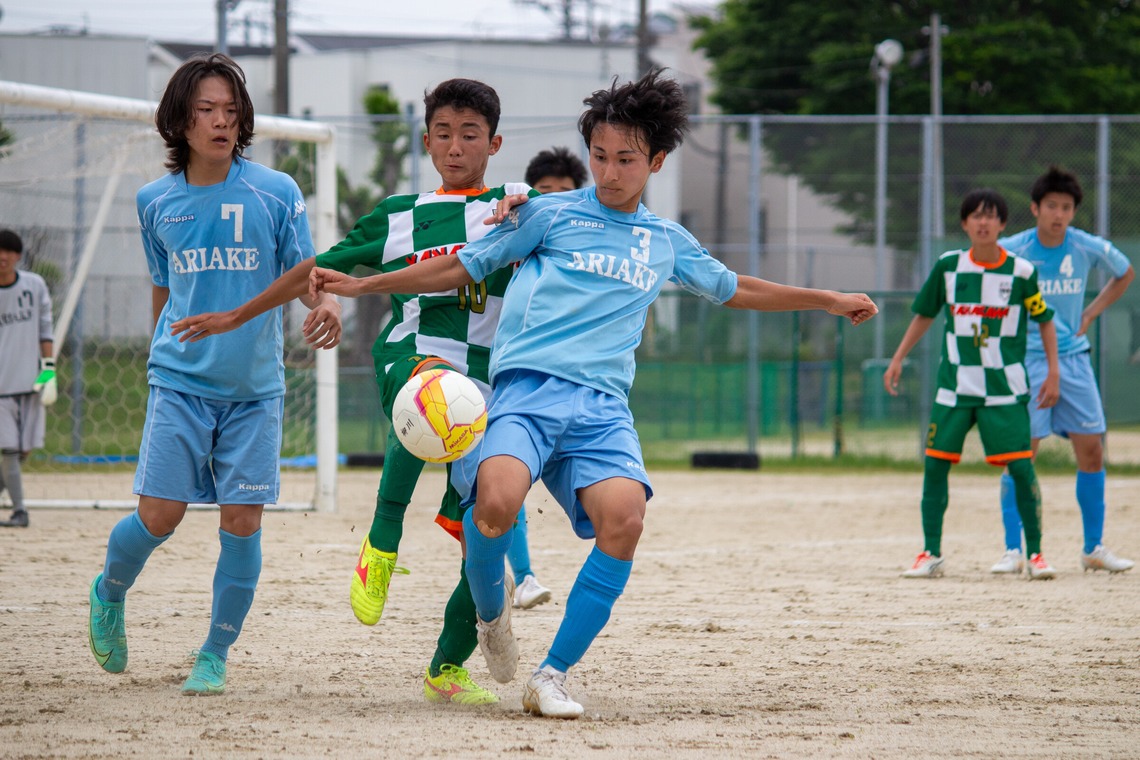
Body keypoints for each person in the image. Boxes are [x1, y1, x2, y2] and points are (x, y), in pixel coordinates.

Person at [307, 69, 877, 719]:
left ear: (656, 162)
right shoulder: (545, 216)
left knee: (626, 520)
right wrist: (362, 286)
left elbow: (735, 287)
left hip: (601, 411)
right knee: (491, 505)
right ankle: (492, 616)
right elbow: (462, 265)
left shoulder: (666, 243)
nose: (609, 173)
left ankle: (551, 675)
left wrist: (827, 299)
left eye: (626, 160)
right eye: (600, 157)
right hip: (524, 393)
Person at [171, 78, 540, 705]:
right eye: (443, 134)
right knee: (432, 397)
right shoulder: (398, 213)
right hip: (412, 358)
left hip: (491, 384)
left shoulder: (518, 211)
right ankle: (382, 540)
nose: (455, 146)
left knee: (488, 527)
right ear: (426, 142)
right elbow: (320, 272)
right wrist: (312, 305)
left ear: (495, 142)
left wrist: (527, 194)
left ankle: (445, 668)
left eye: (470, 134)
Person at [85, 53, 341, 696]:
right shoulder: (154, 202)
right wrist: (160, 351)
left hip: (255, 390)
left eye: (231, 110)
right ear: (180, 119)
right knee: (160, 516)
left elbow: (306, 276)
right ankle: (109, 590)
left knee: (243, 522)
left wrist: (329, 303)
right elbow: (164, 289)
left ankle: (214, 655)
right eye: (206, 110)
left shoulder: (276, 191)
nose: (221, 121)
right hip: (180, 384)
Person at [884, 189, 1060, 581]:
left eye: (991, 216)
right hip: (955, 388)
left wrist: (1053, 372)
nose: (983, 222)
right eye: (975, 216)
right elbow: (924, 315)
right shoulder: (948, 267)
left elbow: (1044, 319)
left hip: (1004, 389)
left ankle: (1036, 555)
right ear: (964, 224)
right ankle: (930, 553)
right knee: (935, 466)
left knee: (1021, 468)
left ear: (1002, 224)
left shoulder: (1021, 272)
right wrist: (898, 358)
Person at [990, 166, 1135, 575]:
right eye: (1051, 205)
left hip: (1073, 360)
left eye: (1066, 207)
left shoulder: (1084, 247)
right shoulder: (1014, 250)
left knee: (1091, 450)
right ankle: (1013, 550)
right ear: (1035, 208)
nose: (1058, 214)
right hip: (1027, 362)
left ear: (1074, 212)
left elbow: (1125, 272)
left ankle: (1093, 547)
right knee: (1022, 455)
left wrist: (1090, 313)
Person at [500, 145, 590, 612]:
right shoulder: (513, 225)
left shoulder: (576, 246)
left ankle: (517, 573)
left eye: (564, 193)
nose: (553, 201)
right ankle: (516, 575)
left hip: (559, 380)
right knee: (497, 485)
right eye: (544, 192)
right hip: (499, 374)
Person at [0, 229, 55, 529]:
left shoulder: (34, 286)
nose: (3, 257)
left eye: (8, 251)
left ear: (18, 256)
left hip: (31, 383)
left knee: (22, 451)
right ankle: (20, 512)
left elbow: (45, 330)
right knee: (8, 448)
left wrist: (49, 372)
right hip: (2, 389)